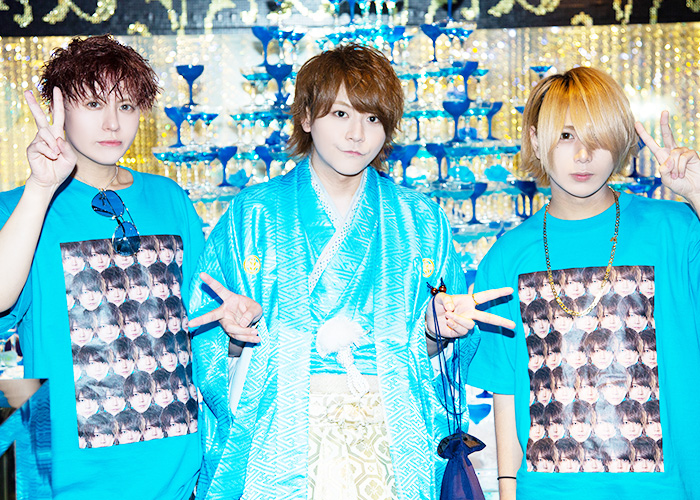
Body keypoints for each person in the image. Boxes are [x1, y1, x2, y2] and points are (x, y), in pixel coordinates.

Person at [188, 43, 515, 499]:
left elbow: (446, 356)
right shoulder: (253, 214)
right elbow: (203, 343)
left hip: (390, 439)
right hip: (281, 437)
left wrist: (435, 332)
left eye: (373, 118)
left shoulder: (421, 220)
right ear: (306, 116)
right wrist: (233, 338)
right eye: (341, 114)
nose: (357, 134)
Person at [466, 66, 700, 498]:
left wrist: (699, 195)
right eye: (566, 136)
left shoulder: (676, 230)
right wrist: (507, 490)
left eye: (598, 137)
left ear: (621, 142)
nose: (584, 155)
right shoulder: (506, 256)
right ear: (536, 140)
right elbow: (505, 391)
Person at [0, 34, 203, 498]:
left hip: (175, 472)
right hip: (67, 479)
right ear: (59, 108)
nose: (113, 122)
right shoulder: (21, 208)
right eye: (93, 103)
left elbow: (200, 319)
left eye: (127, 106)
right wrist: (40, 188)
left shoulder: (169, 198)